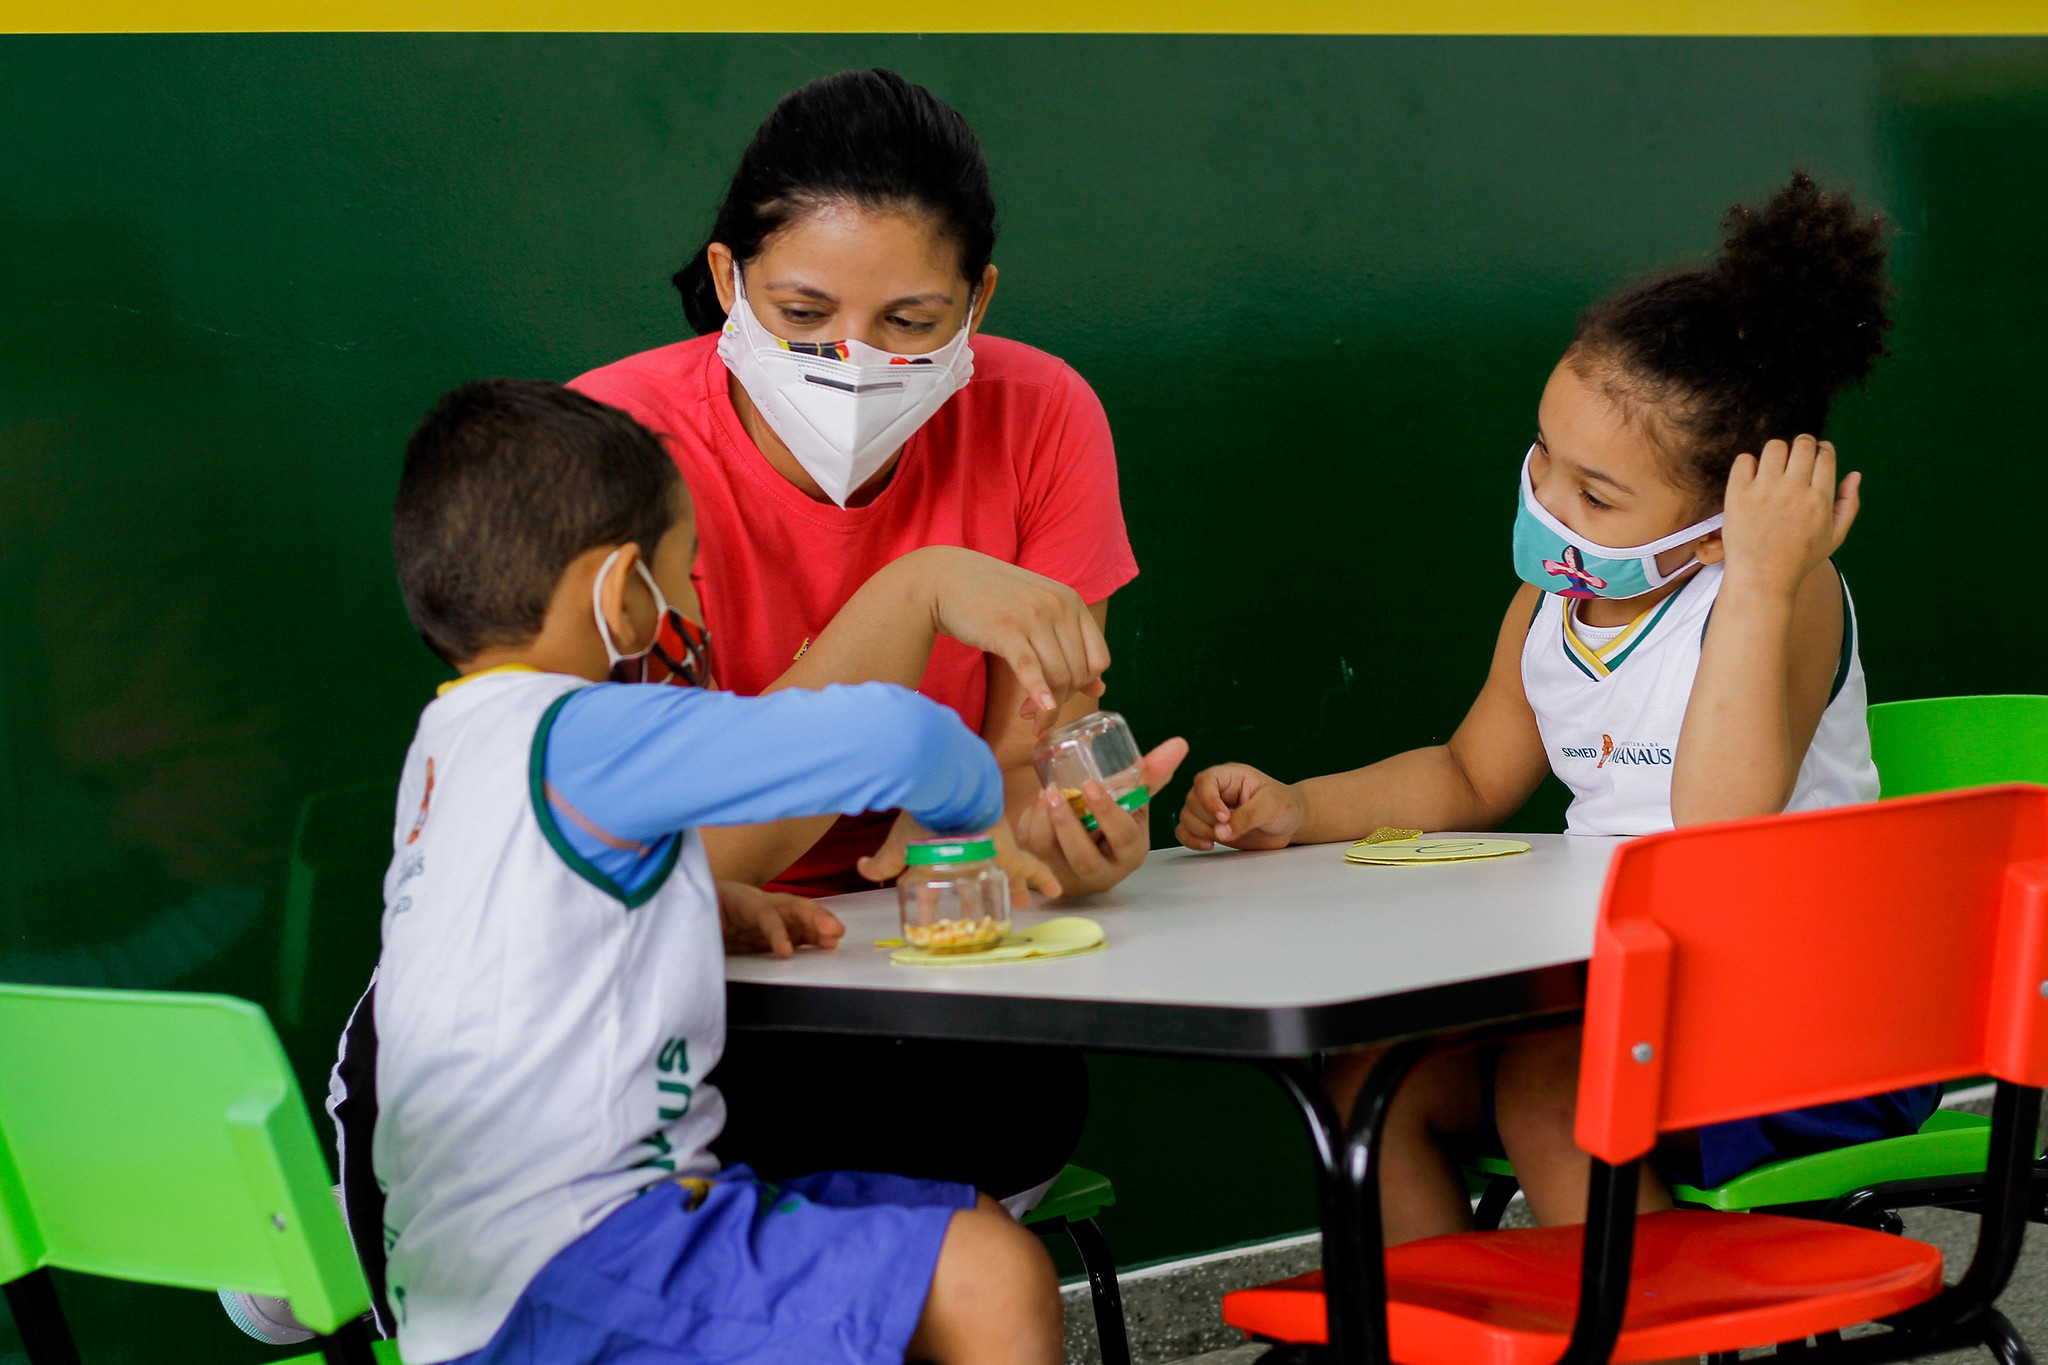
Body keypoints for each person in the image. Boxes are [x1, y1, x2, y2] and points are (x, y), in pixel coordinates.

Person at [1175, 173, 1932, 1242]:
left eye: (1594, 494)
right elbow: (1469, 774)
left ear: (1721, 525)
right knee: (1368, 1081)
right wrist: (1298, 806)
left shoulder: (1777, 594)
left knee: (1546, 1079)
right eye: (1543, 454)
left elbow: (1717, 830)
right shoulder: (1557, 595)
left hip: (1805, 1026)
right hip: (1625, 997)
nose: (1544, 499)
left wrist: (1761, 577)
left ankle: (1638, 1345)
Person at [572, 68, 1186, 1206]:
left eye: (911, 322)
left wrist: (1063, 833)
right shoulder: (603, 452)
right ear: (726, 279)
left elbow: (1025, 758)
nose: (851, 361)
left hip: (920, 989)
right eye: (802, 315)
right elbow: (655, 869)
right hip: (671, 991)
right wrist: (915, 595)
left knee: (997, 1128)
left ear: (977, 303)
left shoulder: (1040, 414)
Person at [361, 377, 1062, 1365]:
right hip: (582, 1252)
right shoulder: (584, 727)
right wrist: (972, 820)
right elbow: (896, 734)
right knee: (988, 1279)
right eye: (685, 575)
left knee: (961, 1224)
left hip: (477, 1268)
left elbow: (530, 924)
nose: (691, 602)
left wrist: (689, 901)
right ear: (618, 592)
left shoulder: (448, 746)